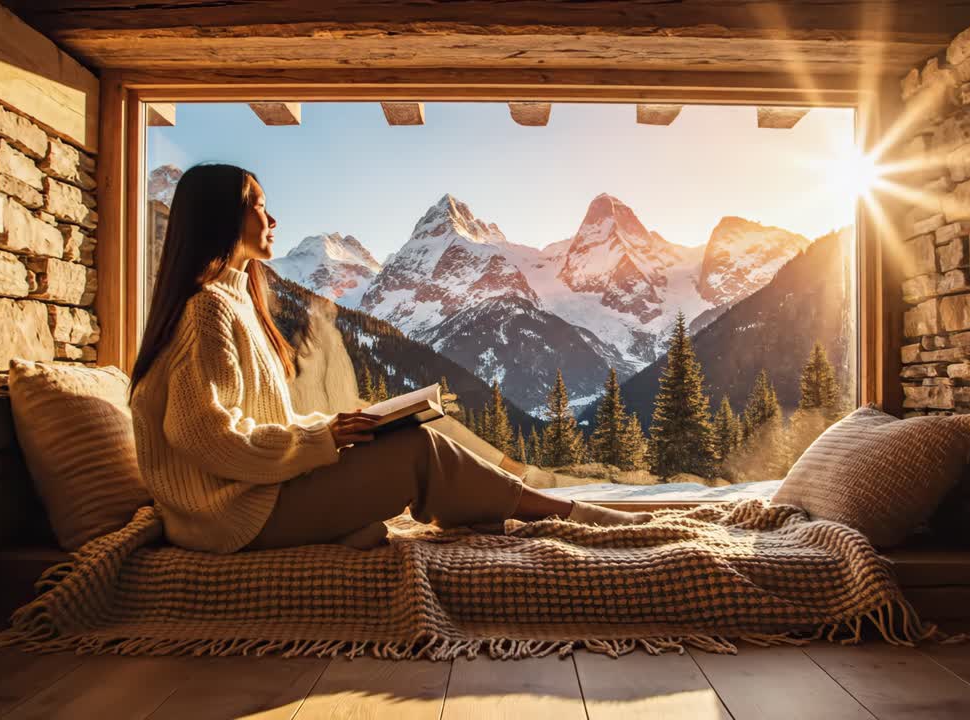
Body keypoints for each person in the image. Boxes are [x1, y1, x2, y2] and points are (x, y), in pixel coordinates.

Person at [128, 163, 650, 553]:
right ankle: (569, 514)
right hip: (230, 518)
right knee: (418, 451)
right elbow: (204, 437)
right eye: (259, 204)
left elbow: (254, 425)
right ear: (225, 216)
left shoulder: (232, 298)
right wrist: (324, 437)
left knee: (406, 440)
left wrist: (336, 426)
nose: (273, 217)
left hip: (249, 500)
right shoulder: (208, 309)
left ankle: (524, 510)